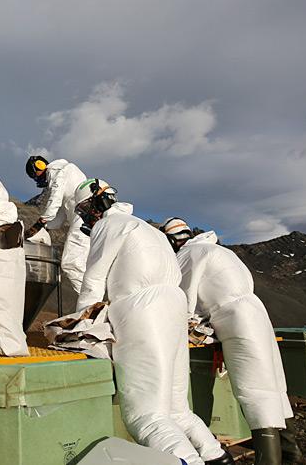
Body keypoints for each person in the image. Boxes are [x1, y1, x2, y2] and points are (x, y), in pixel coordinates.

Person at [74, 180, 232, 465]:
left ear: (97, 203)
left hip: (142, 310)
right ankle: (216, 456)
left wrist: (81, 328)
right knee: (177, 410)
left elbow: (93, 280)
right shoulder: (147, 229)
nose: (85, 216)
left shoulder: (108, 226)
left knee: (146, 417)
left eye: (84, 208)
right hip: (174, 309)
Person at [162, 218, 300, 465]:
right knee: (273, 385)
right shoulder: (218, 250)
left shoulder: (190, 254)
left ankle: (270, 461)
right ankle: (291, 453)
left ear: (172, 239)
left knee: (254, 391)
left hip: (235, 319)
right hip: (257, 312)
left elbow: (182, 300)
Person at [24, 155, 90, 294]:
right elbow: (60, 217)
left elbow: (54, 201)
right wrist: (45, 228)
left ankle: (90, 302)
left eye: (35, 177)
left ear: (39, 169)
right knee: (84, 266)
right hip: (85, 220)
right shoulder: (67, 175)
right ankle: (92, 299)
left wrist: (40, 222)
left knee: (71, 263)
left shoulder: (61, 173)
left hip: (83, 221)